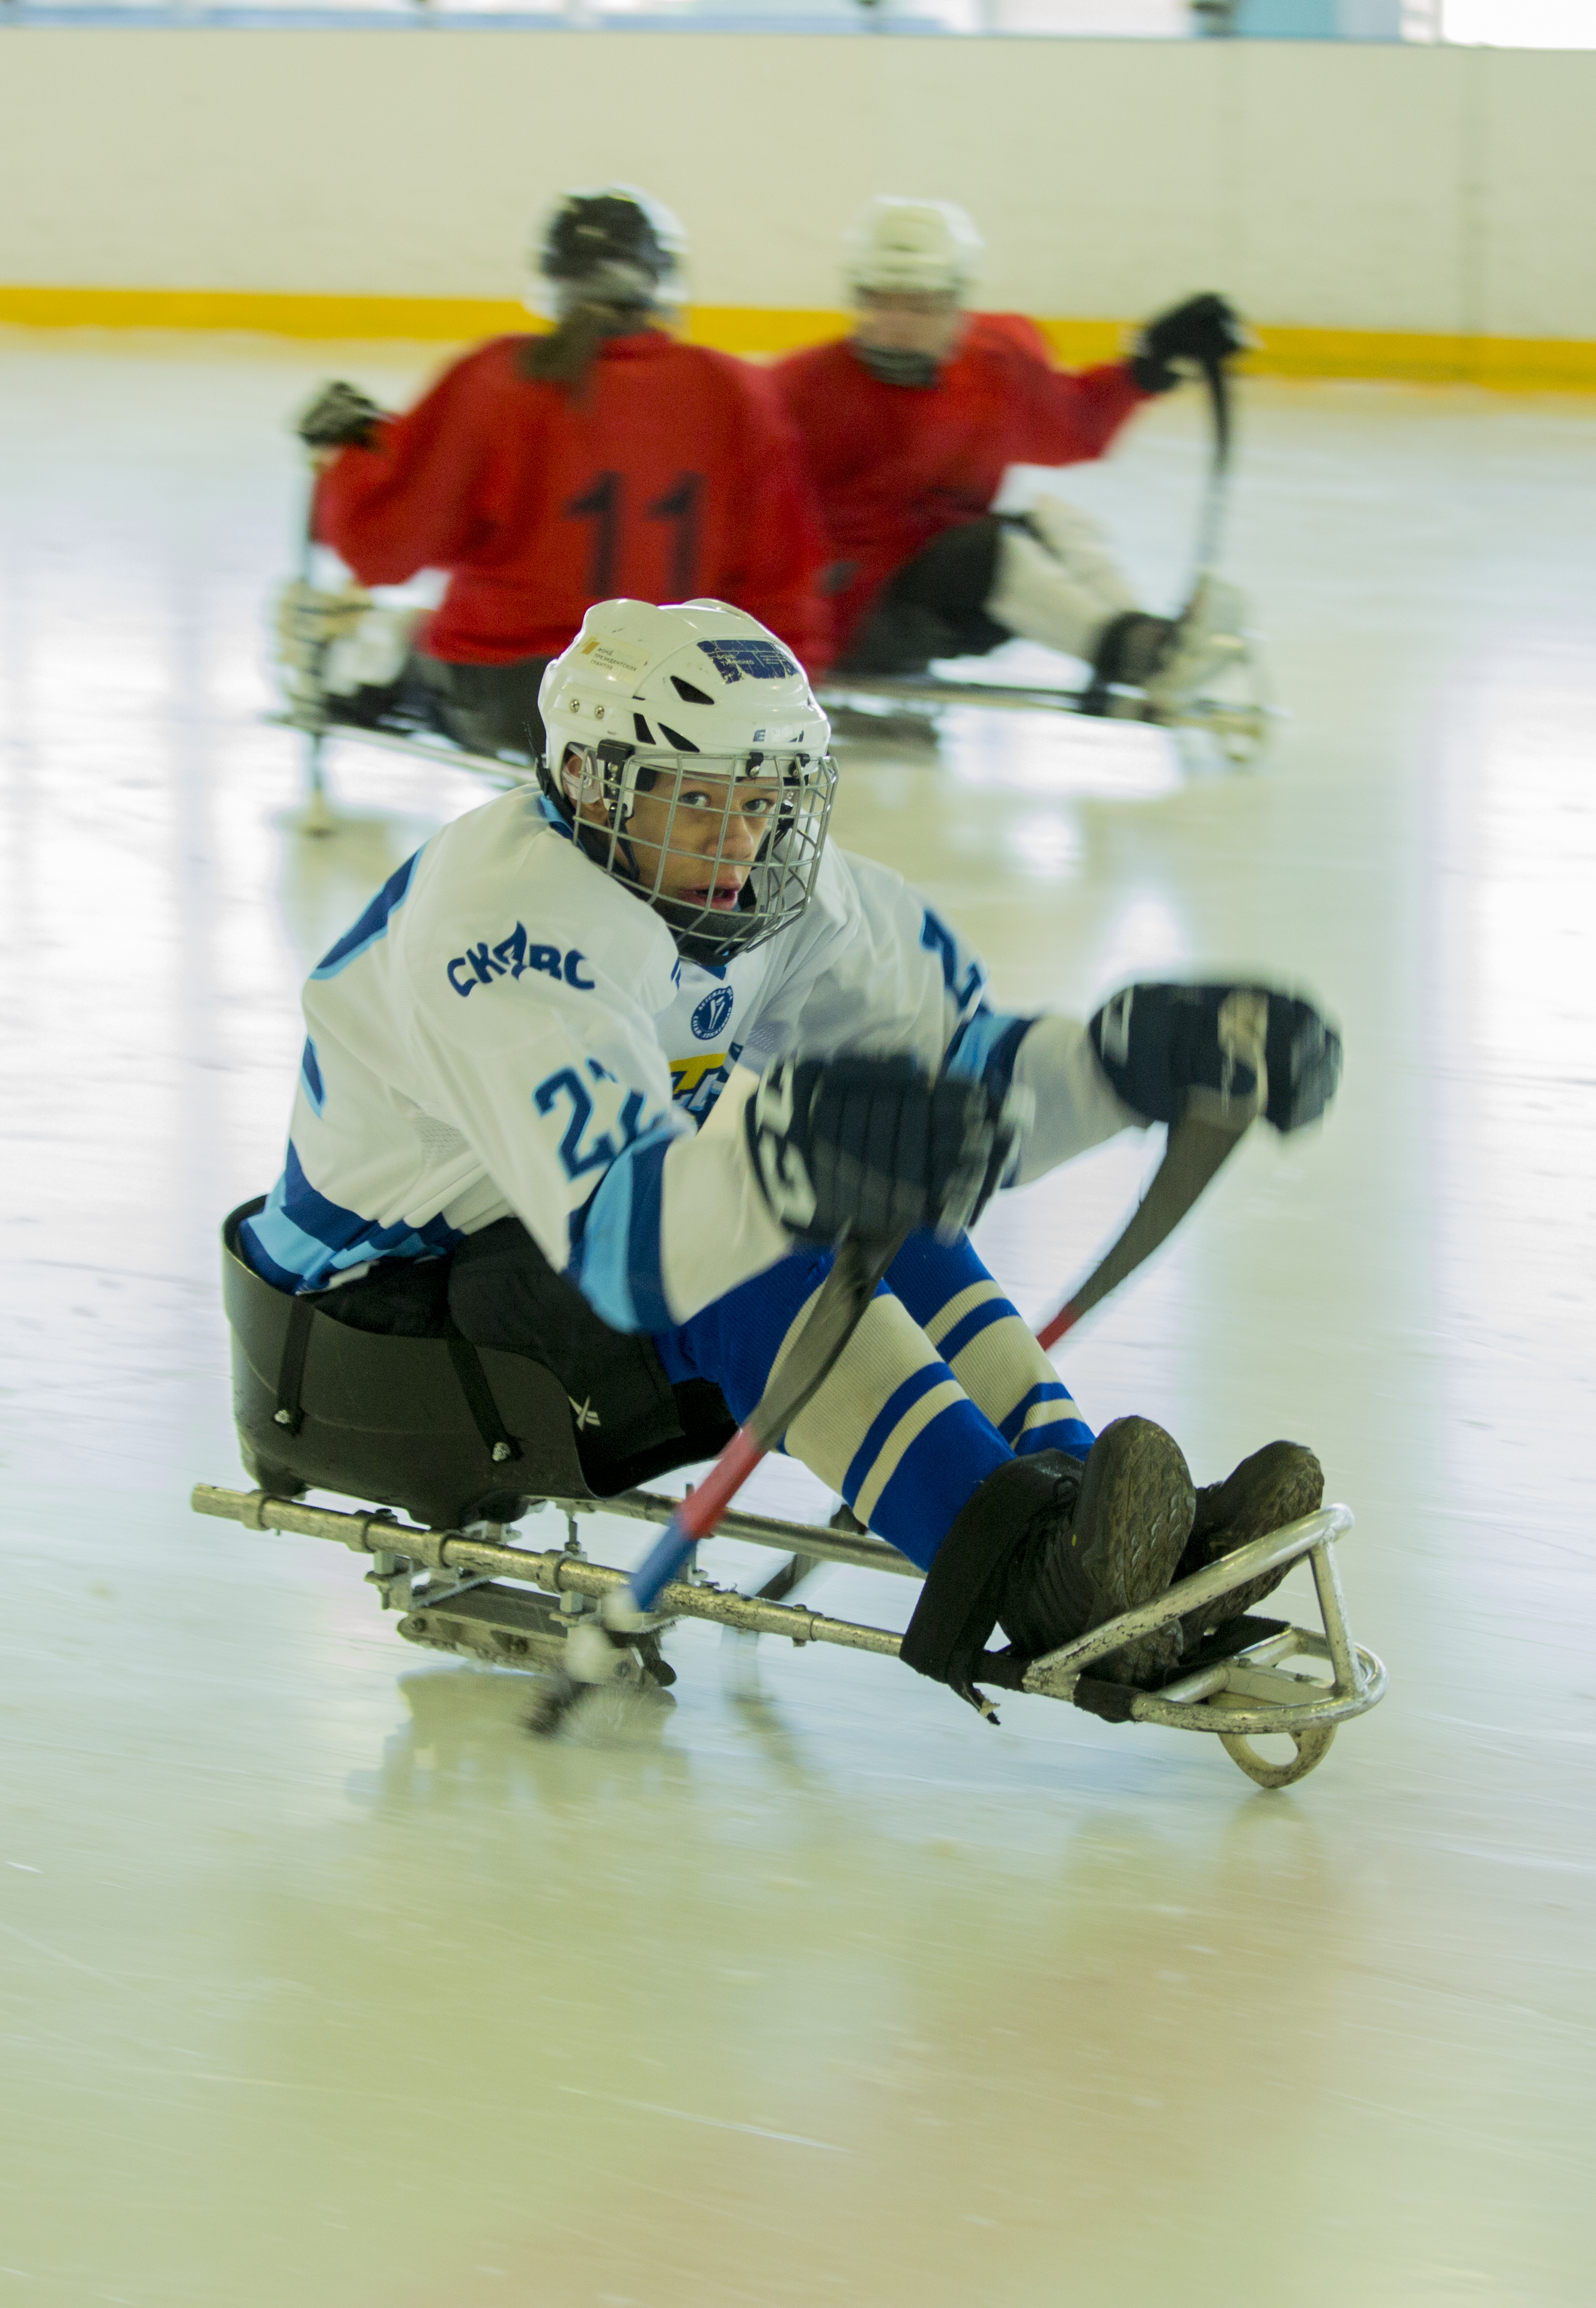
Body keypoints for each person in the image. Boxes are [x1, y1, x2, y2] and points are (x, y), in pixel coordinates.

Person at [237, 596, 1342, 1690]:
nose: (746, 838)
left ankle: (1092, 1515)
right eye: (703, 801)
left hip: (536, 1260)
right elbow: (630, 1244)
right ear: (587, 779)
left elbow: (963, 1080)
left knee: (876, 1189)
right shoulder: (507, 930)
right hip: (384, 1320)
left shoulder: (778, 890)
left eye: (768, 797)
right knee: (767, 1227)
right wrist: (789, 1154)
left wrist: (1124, 1063)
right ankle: (1035, 1573)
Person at [285, 187, 830, 765]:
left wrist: (349, 456)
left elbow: (385, 549)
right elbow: (784, 578)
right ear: (660, 282)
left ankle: (376, 682)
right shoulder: (737, 392)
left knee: (414, 643)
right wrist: (772, 707)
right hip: (687, 711)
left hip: (518, 702)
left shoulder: (496, 379)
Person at [771, 197, 1247, 709]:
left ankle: (1147, 640)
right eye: (881, 301)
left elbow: (1073, 425)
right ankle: (1131, 655)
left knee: (1052, 518)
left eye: (920, 305)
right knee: (989, 550)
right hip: (851, 618)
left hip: (944, 601)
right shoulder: (803, 389)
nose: (897, 323)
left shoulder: (994, 366)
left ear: (957, 301)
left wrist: (1146, 368)